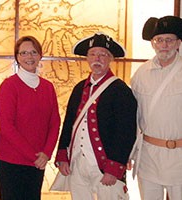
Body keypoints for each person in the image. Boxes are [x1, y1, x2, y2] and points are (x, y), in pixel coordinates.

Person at [130, 15, 182, 200]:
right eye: (159, 40)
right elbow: (134, 117)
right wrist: (131, 152)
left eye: (169, 40)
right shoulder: (141, 74)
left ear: (178, 43)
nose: (164, 45)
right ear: (153, 43)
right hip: (148, 156)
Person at [54, 32, 137, 200]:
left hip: (105, 165)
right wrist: (63, 156)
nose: (97, 58)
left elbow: (126, 132)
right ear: (87, 58)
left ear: (110, 58)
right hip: (78, 162)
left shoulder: (121, 91)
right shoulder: (79, 88)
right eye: (92, 54)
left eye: (103, 54)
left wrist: (114, 167)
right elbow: (69, 122)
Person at [0, 35, 61, 200]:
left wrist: (46, 153)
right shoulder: (9, 86)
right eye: (23, 53)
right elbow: (7, 127)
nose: (28, 57)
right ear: (17, 57)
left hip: (38, 162)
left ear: (40, 55)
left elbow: (55, 123)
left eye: (33, 52)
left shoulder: (48, 87)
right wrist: (35, 157)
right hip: (12, 162)